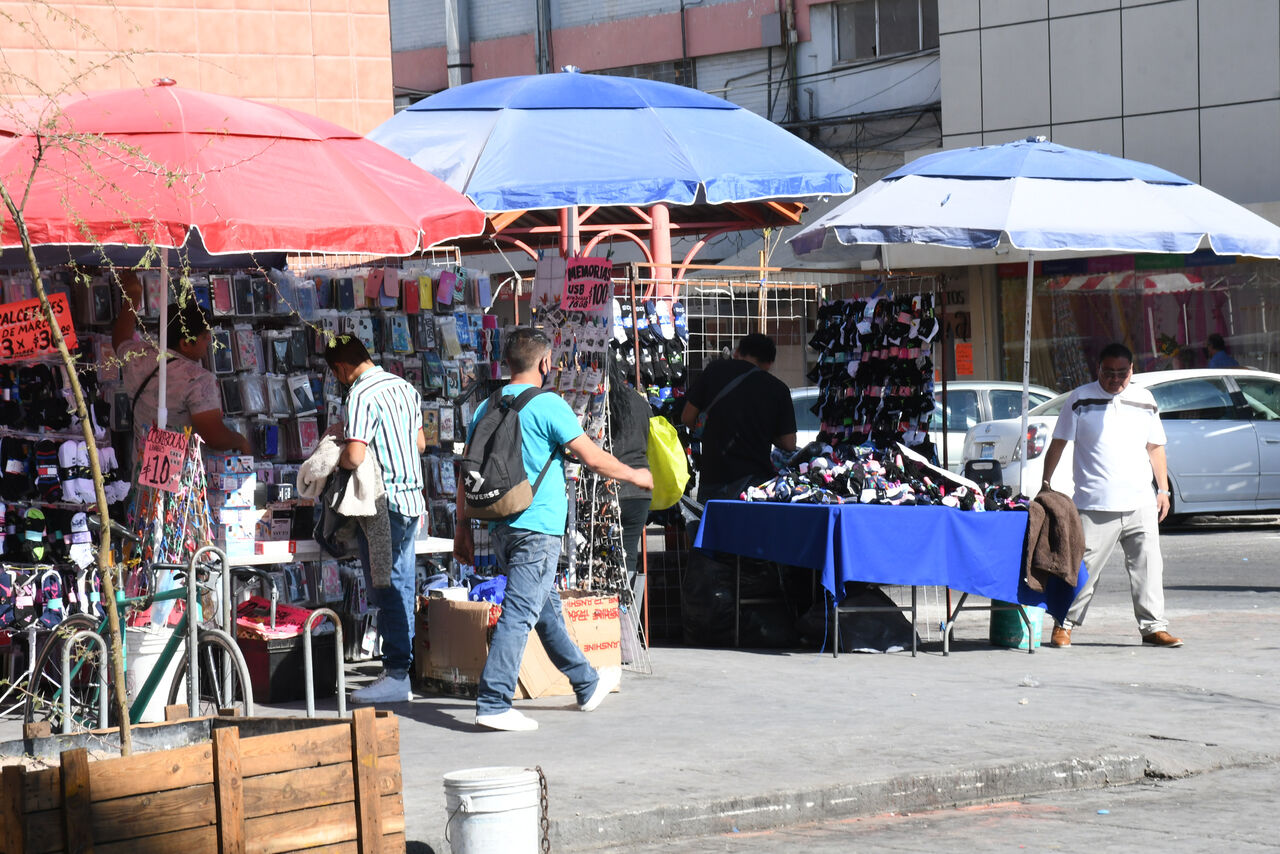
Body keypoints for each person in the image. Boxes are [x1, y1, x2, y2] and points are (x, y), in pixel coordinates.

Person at [453, 327, 653, 732]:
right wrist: (637, 475)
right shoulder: (549, 405)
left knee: (545, 613)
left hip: (501, 526)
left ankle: (586, 682)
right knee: (520, 615)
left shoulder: (485, 405)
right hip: (537, 528)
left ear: (507, 362)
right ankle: (493, 702)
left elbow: (465, 474)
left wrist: (460, 527)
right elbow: (592, 459)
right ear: (545, 363)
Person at [1040, 342, 1182, 649]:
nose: (1115, 379)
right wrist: (1046, 482)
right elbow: (1059, 443)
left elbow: (1155, 447)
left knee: (1148, 567)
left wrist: (1163, 490)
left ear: (1132, 370)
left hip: (1141, 502)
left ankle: (1153, 627)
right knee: (1082, 569)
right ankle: (1063, 624)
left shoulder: (1145, 400)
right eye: (1108, 373)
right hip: (1094, 503)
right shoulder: (1080, 399)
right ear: (1098, 370)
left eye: (1122, 373)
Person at [324, 336, 426, 704]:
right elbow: (420, 445)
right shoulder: (404, 387)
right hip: (413, 499)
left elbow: (354, 454)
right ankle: (402, 670)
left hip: (383, 504)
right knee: (401, 583)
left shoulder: (360, 396)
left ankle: (397, 673)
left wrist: (331, 458)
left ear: (341, 369)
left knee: (386, 589)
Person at [112, 270, 251, 455]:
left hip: (142, 470)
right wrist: (240, 441)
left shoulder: (138, 358)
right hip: (180, 478)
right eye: (204, 336)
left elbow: (120, 338)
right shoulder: (198, 380)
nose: (210, 340)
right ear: (185, 344)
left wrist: (133, 295)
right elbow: (214, 437)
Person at [680, 333, 796, 503]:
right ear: (769, 362)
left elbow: (687, 417)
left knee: (713, 528)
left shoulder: (714, 371)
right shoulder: (778, 389)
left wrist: (712, 431)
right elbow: (789, 443)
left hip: (713, 475)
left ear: (738, 352)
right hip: (754, 481)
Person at [607, 350, 654, 615]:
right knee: (628, 559)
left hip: (606, 491)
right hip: (638, 491)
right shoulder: (638, 400)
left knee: (596, 559)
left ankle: (605, 623)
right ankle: (625, 622)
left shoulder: (597, 400)